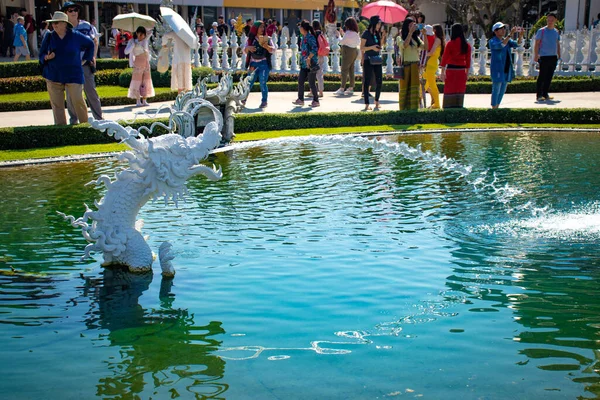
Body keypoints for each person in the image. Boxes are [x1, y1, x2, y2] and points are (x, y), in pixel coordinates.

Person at [39, 11, 94, 125]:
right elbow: (41, 54)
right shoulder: (49, 36)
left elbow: (90, 44)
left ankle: (85, 127)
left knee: (78, 101)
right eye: (53, 23)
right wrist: (47, 57)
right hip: (54, 75)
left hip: (73, 74)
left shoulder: (75, 35)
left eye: (57, 22)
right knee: (57, 105)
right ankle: (61, 130)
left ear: (64, 24)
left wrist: (85, 59)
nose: (54, 25)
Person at [62, 2, 102, 124]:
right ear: (65, 13)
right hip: (70, 66)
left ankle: (99, 119)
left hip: (85, 64)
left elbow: (94, 41)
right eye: (70, 10)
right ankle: (74, 120)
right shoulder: (63, 28)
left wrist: (93, 56)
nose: (74, 12)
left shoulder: (86, 25)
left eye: (75, 10)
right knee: (71, 95)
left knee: (91, 92)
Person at [489, 22, 523, 108]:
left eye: (504, 28)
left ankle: (497, 106)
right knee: (496, 88)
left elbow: (517, 44)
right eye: (501, 29)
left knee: (503, 89)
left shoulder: (507, 40)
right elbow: (501, 45)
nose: (503, 30)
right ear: (495, 31)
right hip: (497, 69)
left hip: (506, 68)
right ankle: (494, 107)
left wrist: (520, 35)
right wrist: (510, 34)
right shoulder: (492, 41)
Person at [243, 20, 274, 108]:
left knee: (263, 82)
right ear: (255, 28)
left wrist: (267, 46)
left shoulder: (267, 39)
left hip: (264, 63)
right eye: (260, 27)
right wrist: (248, 48)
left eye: (263, 27)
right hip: (253, 64)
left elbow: (274, 49)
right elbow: (244, 51)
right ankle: (243, 99)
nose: (262, 29)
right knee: (249, 82)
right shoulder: (250, 39)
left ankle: (264, 101)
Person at [397, 17, 426, 111]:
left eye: (414, 25)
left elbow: (425, 47)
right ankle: (403, 109)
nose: (413, 27)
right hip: (406, 66)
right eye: (410, 25)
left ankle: (414, 108)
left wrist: (425, 35)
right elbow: (405, 45)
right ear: (406, 26)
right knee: (405, 88)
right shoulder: (399, 38)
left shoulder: (416, 38)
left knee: (414, 88)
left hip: (415, 66)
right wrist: (410, 33)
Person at [440, 23, 471, 108]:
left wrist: (442, 72)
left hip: (451, 69)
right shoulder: (467, 45)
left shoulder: (450, 44)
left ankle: (448, 106)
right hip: (461, 70)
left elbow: (444, 58)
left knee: (449, 89)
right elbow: (468, 61)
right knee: (459, 89)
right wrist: (467, 73)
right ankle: (458, 106)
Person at [533, 12, 561, 102]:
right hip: (544, 56)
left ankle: (545, 93)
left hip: (553, 56)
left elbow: (557, 43)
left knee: (549, 76)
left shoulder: (556, 32)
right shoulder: (542, 31)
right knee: (542, 76)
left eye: (552, 20)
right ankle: (539, 95)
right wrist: (536, 55)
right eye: (548, 20)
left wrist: (559, 54)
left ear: (555, 20)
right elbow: (537, 44)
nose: (550, 21)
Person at [125, 26, 155, 107]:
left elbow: (150, 32)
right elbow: (126, 52)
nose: (142, 36)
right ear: (137, 33)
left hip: (146, 62)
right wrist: (132, 45)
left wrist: (146, 28)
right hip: (138, 62)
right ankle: (138, 100)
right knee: (137, 81)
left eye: (143, 35)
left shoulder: (145, 40)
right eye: (140, 34)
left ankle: (144, 99)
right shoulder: (132, 41)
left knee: (146, 80)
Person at [292, 20, 320, 107]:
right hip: (304, 64)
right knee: (300, 80)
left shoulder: (310, 37)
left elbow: (315, 49)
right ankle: (300, 99)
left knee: (311, 83)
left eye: (300, 26)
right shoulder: (303, 37)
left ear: (303, 28)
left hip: (311, 63)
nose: (299, 28)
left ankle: (316, 100)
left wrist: (309, 58)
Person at [360, 15, 383, 111]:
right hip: (368, 59)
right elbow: (362, 47)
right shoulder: (366, 33)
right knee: (367, 81)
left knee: (379, 80)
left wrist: (383, 37)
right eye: (378, 23)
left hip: (377, 59)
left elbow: (380, 46)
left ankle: (377, 101)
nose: (379, 25)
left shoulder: (377, 33)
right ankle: (366, 103)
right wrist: (372, 47)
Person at [334, 17, 360, 96]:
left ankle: (342, 88)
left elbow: (341, 42)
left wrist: (338, 36)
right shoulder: (355, 33)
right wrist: (343, 34)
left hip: (347, 51)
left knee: (344, 70)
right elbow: (356, 41)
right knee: (351, 69)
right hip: (354, 51)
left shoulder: (348, 33)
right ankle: (351, 87)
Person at [163, 28, 194, 93]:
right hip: (186, 59)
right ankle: (186, 99)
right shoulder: (188, 34)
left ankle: (180, 99)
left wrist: (164, 44)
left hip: (179, 59)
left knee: (180, 81)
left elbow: (165, 36)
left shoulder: (176, 33)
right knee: (186, 82)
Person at [423, 24, 444, 109]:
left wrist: (423, 55)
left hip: (431, 63)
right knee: (425, 84)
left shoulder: (437, 40)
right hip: (431, 63)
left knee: (432, 84)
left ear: (435, 31)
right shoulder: (437, 39)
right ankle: (420, 99)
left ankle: (437, 104)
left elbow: (431, 52)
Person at [312, 20, 328, 98]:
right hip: (321, 54)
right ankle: (321, 91)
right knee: (320, 73)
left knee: (312, 73)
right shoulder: (322, 34)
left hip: (314, 55)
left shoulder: (313, 34)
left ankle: (312, 91)